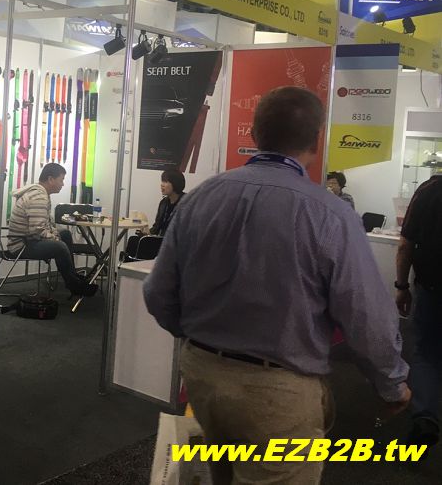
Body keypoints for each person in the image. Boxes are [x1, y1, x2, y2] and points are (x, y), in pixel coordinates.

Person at [144, 87, 410, 485]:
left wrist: (200, 341)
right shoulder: (331, 214)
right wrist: (392, 384)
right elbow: (366, 314)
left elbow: (158, 292)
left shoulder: (202, 198)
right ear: (317, 140)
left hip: (202, 376)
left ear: (254, 134)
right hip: (277, 392)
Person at [395, 171, 442, 447]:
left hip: (432, 289)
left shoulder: (429, 190)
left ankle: (425, 417)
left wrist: (401, 286)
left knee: (426, 353)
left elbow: (405, 245)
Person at [9, 163, 96, 297]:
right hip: (22, 245)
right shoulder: (38, 197)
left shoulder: (40, 193)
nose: (63, 184)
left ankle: (72, 277)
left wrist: (56, 235)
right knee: (60, 247)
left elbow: (45, 226)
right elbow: (37, 231)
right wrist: (55, 239)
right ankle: (75, 285)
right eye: (61, 180)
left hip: (27, 240)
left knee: (65, 234)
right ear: (50, 179)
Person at [149, 170, 185, 236]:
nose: (162, 185)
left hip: (177, 240)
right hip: (162, 239)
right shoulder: (163, 203)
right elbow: (157, 227)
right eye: (162, 181)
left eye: (165, 182)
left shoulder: (187, 202)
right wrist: (147, 233)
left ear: (175, 183)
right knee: (134, 239)